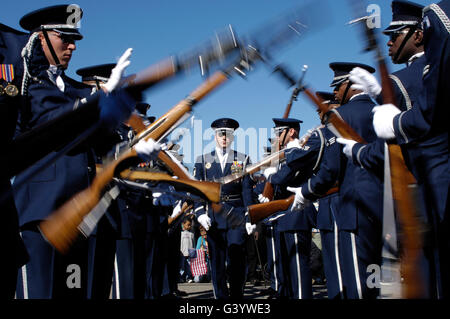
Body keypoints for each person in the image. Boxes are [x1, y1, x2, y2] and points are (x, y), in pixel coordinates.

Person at [12, 5, 159, 299]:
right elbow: (56, 121)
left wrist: (132, 151)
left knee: (75, 293)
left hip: (79, 213)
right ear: (39, 37)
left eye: (74, 38)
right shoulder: (25, 83)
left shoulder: (71, 88)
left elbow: (97, 140)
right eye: (63, 37)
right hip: (42, 212)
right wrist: (101, 97)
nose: (72, 46)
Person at [369, 0, 450, 298]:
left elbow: (427, 115)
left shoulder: (408, 77)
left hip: (431, 187)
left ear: (417, 35)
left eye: (395, 35)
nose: (389, 43)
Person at [288, 62, 384, 299]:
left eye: (339, 87)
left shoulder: (341, 117)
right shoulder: (381, 112)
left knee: (353, 279)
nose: (336, 94)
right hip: (381, 206)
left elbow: (331, 168)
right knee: (375, 277)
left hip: (352, 207)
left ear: (350, 86)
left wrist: (306, 192)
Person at [194, 117, 253, 299]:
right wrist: (199, 212)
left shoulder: (242, 159)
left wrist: (251, 215)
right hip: (214, 214)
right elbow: (198, 190)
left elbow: (246, 190)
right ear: (215, 136)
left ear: (233, 137)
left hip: (236, 215)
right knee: (217, 261)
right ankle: (221, 297)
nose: (224, 137)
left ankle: (236, 298)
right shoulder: (203, 160)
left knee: (236, 259)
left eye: (228, 134)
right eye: (221, 134)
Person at [180, 216, 195, 283]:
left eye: (190, 225)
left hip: (190, 253)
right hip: (182, 253)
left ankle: (189, 277)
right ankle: (181, 277)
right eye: (188, 225)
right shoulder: (181, 233)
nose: (189, 226)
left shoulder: (192, 234)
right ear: (183, 224)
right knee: (182, 266)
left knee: (189, 267)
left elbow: (193, 243)